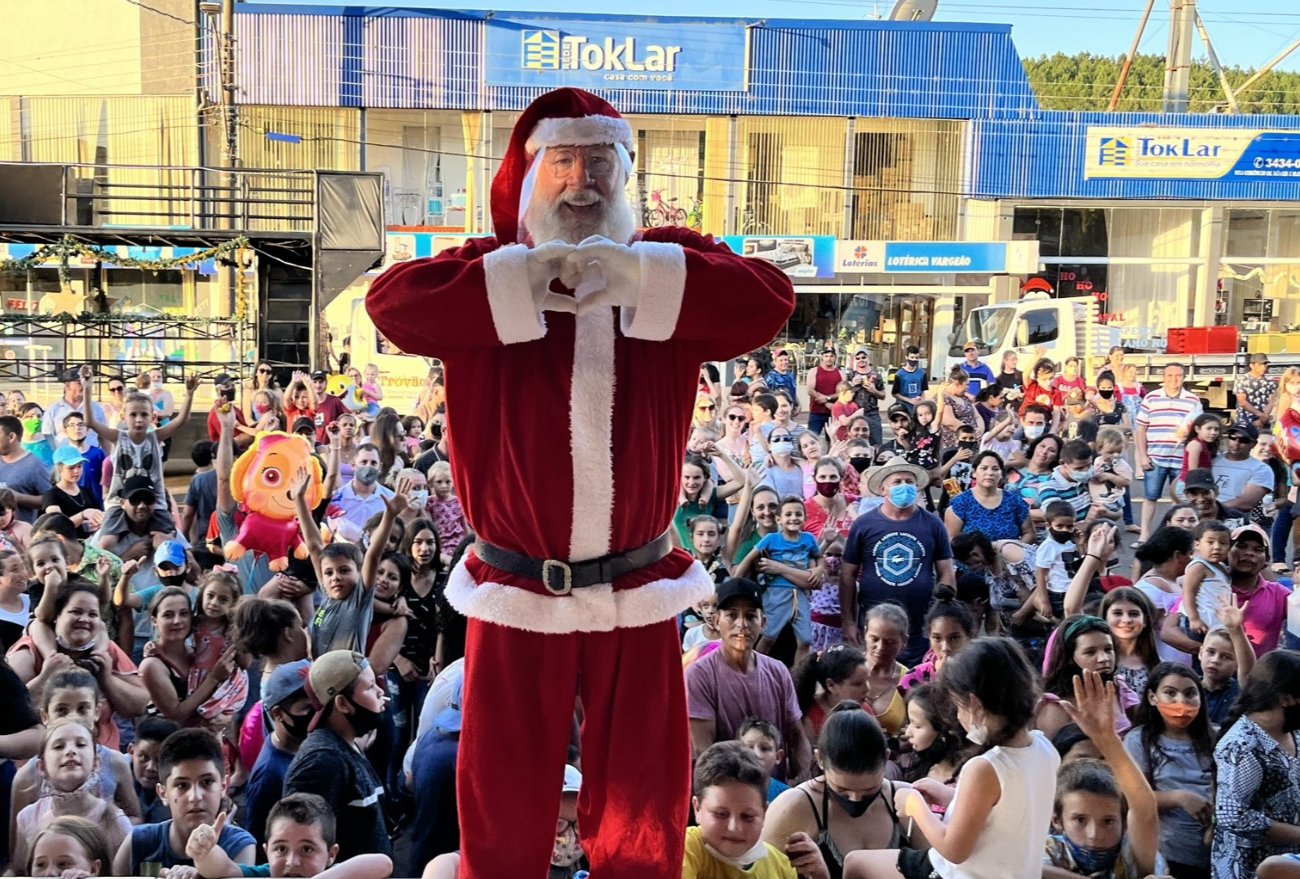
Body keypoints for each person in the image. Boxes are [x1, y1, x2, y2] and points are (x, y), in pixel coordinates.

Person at [842, 637, 1059, 879]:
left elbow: (954, 850)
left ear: (974, 704)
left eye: (958, 706)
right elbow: (1008, 808)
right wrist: (952, 797)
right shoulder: (1043, 747)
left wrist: (915, 807)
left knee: (855, 865)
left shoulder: (986, 767)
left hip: (957, 873)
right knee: (858, 862)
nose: (957, 716)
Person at [763, 702, 921, 878]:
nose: (855, 799)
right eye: (842, 791)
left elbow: (940, 870)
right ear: (820, 759)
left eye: (869, 791)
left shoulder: (907, 801)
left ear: (886, 758)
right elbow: (760, 871)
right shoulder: (793, 807)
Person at [686, 578, 811, 778]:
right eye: (732, 615)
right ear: (717, 622)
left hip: (774, 793)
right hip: (726, 788)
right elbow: (705, 751)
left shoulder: (778, 671)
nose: (741, 624)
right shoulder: (699, 675)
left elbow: (796, 737)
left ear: (763, 623)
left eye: (751, 616)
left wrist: (801, 785)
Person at [1042, 672, 1162, 879]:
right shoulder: (1048, 850)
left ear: (1124, 821)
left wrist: (1108, 739)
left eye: (1108, 821)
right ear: (1056, 820)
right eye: (1080, 820)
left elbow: (1145, 810)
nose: (1094, 835)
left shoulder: (1131, 852)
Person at [840, 460, 954, 665]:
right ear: (883, 489)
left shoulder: (933, 523)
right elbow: (847, 574)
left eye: (909, 481)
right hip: (874, 625)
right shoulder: (864, 524)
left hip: (920, 625)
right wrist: (847, 621)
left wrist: (941, 615)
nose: (904, 486)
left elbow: (946, 572)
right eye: (897, 481)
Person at [284, 651, 392, 862]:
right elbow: (304, 854)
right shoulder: (322, 763)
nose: (381, 692)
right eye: (370, 687)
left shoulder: (347, 743)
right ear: (342, 704)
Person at [113, 728, 256, 875]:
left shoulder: (238, 844)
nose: (195, 796)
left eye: (207, 782)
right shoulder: (137, 842)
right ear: (163, 793)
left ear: (223, 786)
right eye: (182, 785)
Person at [1211, 650, 1300, 879]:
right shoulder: (1242, 745)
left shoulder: (1293, 732)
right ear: (1286, 697)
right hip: (1247, 867)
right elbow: (1234, 816)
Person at [1124, 661, 1216, 878]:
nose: (1181, 702)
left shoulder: (1217, 739)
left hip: (1213, 853)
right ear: (1152, 697)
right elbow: (1131, 799)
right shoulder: (1139, 740)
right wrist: (1178, 798)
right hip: (1167, 854)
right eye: (1170, 693)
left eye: (1190, 693)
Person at [12, 718, 132, 871]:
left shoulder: (116, 821)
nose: (70, 751)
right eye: (58, 746)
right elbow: (20, 872)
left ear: (96, 763)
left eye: (81, 745)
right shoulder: (28, 817)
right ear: (41, 766)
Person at [187, 793, 393, 879]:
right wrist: (204, 852)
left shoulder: (337, 874)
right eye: (281, 849)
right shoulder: (264, 874)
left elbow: (383, 864)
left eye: (307, 849)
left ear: (331, 855)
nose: (292, 862)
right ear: (267, 852)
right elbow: (221, 868)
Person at [685, 741, 806, 879]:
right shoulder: (685, 851)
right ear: (697, 809)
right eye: (721, 814)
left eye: (747, 816)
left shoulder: (782, 868)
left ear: (764, 813)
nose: (734, 828)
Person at [735, 496, 824, 665]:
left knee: (805, 641)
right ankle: (753, 668)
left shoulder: (808, 539)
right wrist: (735, 583)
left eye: (798, 514)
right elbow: (748, 559)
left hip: (800, 594)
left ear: (804, 518)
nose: (793, 518)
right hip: (777, 593)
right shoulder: (771, 539)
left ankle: (797, 679)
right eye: (788, 514)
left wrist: (819, 569)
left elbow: (819, 557)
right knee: (768, 637)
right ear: (779, 519)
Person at [1137, 364, 1203, 541]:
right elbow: (1141, 429)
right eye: (1170, 375)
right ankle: (1144, 535)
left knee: (1179, 499)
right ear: (1163, 377)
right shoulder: (1151, 398)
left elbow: (1198, 429)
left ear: (1184, 377)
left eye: (1178, 375)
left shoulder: (1193, 400)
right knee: (1150, 496)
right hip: (1156, 457)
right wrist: (1143, 456)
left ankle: (1177, 536)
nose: (1174, 379)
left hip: (1182, 459)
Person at [944, 451, 1034, 542]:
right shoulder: (960, 504)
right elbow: (951, 540)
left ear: (1001, 474)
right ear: (974, 472)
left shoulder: (1015, 501)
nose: (990, 473)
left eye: (995, 469)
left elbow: (1029, 533)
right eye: (984, 468)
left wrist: (1014, 550)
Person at [898, 588, 975, 691]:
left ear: (968, 636)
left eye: (954, 638)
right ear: (929, 637)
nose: (945, 648)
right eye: (937, 638)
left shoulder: (979, 677)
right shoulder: (914, 678)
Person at [791, 645, 868, 741]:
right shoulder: (810, 721)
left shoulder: (864, 708)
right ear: (831, 685)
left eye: (867, 681)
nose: (867, 689)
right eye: (857, 684)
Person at [326, 444, 394, 539]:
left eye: (373, 463)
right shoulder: (336, 498)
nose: (368, 467)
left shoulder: (390, 498)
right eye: (364, 462)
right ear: (353, 465)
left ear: (380, 467)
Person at [1181, 520, 1233, 637]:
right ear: (1197, 544)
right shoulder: (1198, 566)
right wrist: (1194, 619)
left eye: (1223, 543)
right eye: (1210, 542)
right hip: (1200, 623)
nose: (1217, 547)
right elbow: (1188, 593)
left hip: (1214, 622)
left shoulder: (1222, 567)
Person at [0, 415, 52, 524]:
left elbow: (50, 499)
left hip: (19, 536)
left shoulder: (35, 465)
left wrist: (18, 497)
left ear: (11, 437)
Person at [1213, 421, 1273, 514]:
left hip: (1233, 518)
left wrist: (1212, 509)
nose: (1236, 443)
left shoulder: (1261, 469)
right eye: (1233, 437)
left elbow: (1247, 502)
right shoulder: (1212, 460)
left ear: (1253, 444)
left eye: (1244, 440)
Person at [42, 446, 102, 535]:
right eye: (71, 468)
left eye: (79, 466)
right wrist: (82, 515)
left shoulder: (85, 491)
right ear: (59, 469)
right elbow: (57, 525)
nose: (76, 471)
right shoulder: (51, 494)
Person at [130, 716, 179, 824]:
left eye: (160, 760)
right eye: (143, 757)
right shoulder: (117, 775)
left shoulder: (181, 785)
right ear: (131, 751)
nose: (151, 767)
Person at [43, 369, 108, 449]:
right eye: (79, 383)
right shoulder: (53, 410)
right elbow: (47, 439)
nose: (84, 386)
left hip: (92, 458)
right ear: (67, 385)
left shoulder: (96, 408)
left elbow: (104, 437)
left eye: (86, 382)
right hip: (65, 459)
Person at [848, 347, 885, 445]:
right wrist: (852, 385)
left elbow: (883, 396)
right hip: (855, 413)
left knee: (876, 442)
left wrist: (874, 391)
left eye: (863, 357)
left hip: (872, 413)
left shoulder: (876, 375)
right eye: (858, 358)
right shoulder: (850, 375)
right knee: (854, 443)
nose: (861, 360)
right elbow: (843, 395)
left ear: (868, 358)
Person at [806, 347, 844, 438]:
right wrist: (826, 403)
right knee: (812, 438)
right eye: (826, 356)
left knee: (832, 440)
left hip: (833, 412)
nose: (829, 358)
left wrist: (827, 398)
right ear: (822, 357)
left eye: (831, 356)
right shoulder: (814, 371)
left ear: (835, 357)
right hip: (816, 412)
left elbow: (843, 392)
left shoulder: (841, 373)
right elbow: (810, 390)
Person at [1235, 353, 1277, 430]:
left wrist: (1262, 419)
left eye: (1265, 364)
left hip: (1263, 421)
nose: (1264, 367)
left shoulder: (1270, 380)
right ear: (1252, 365)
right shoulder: (1242, 380)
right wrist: (1260, 415)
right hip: (1246, 420)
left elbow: (1272, 401)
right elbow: (1242, 401)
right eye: (1260, 364)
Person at [892, 346, 926, 413]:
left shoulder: (922, 373)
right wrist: (910, 400)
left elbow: (922, 391)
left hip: (917, 408)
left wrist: (921, 402)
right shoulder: (899, 374)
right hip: (903, 407)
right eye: (912, 357)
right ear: (906, 357)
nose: (914, 360)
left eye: (916, 358)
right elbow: (895, 393)